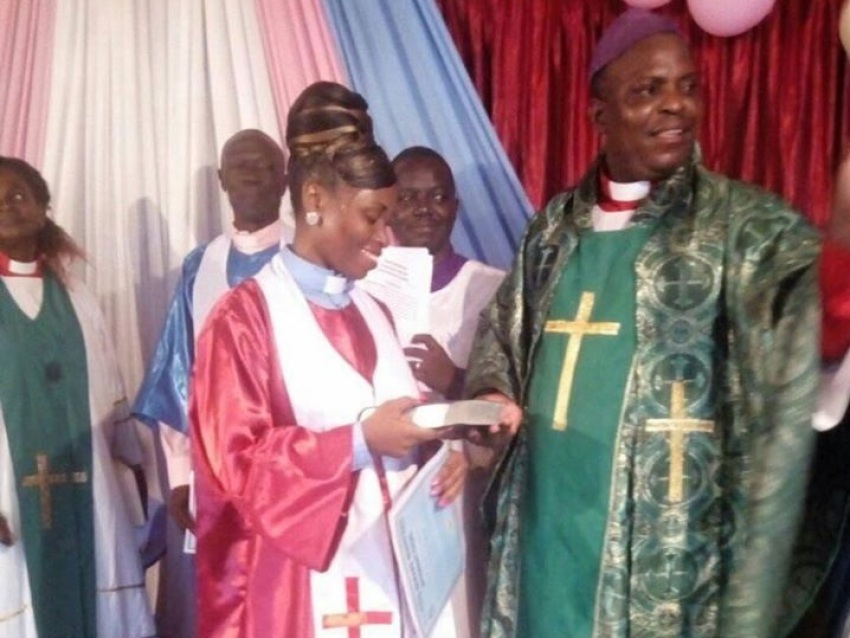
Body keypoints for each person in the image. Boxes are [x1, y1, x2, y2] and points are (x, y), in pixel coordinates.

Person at [465, 9, 848, 637]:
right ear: (599, 116)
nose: (677, 106)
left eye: (688, 86)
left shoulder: (738, 227)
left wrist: (841, 267)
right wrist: (490, 393)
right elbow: (503, 334)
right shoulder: (554, 232)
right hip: (547, 537)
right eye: (648, 90)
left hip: (675, 560)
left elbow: (807, 316)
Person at [190, 89, 493, 637]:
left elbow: (394, 416)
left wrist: (438, 453)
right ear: (315, 199)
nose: (386, 237)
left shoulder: (373, 308)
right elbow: (234, 469)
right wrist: (356, 443)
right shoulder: (243, 319)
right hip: (303, 591)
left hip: (400, 581)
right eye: (374, 217)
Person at [133, 128, 288, 637]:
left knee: (284, 591)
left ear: (285, 177)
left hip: (289, 458)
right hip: (214, 464)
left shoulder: (304, 257)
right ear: (221, 179)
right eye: (238, 164)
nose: (249, 172)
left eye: (263, 163)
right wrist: (179, 474)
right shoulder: (202, 265)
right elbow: (178, 371)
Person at [0, 156, 155, 637]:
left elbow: (110, 393)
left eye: (18, 195)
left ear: (44, 207)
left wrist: (132, 471)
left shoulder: (78, 295)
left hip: (91, 491)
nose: (6, 205)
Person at [388, 145, 505, 636]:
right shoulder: (360, 287)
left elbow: (510, 406)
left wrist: (453, 379)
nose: (423, 208)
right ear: (388, 205)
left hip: (454, 483)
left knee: (452, 617)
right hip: (385, 479)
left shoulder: (491, 288)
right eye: (409, 197)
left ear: (455, 206)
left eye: (438, 196)